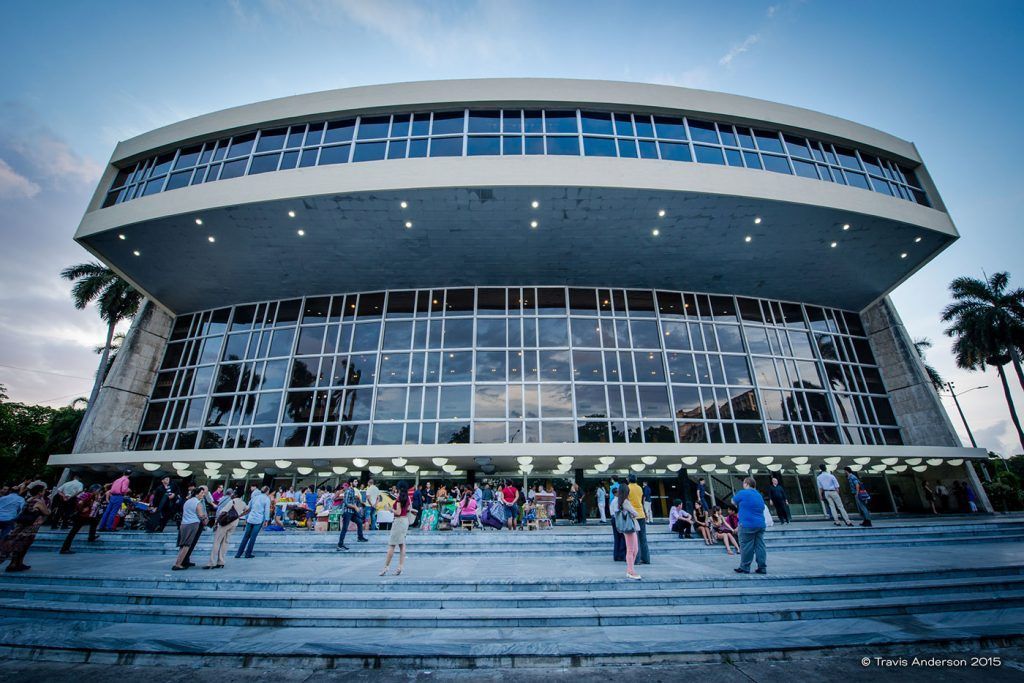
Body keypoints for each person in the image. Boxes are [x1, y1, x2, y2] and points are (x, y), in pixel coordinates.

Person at [0, 481, 49, 572]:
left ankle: (14, 563)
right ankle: (16, 563)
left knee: (17, 543)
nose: (44, 492)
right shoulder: (38, 502)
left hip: (21, 525)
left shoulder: (28, 499)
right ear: (39, 492)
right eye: (43, 491)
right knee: (23, 545)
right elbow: (47, 512)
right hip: (30, 526)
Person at [732, 477, 767, 575]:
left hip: (747, 524)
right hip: (760, 524)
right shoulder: (759, 495)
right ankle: (762, 567)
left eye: (744, 483)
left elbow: (733, 501)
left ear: (747, 484)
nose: (743, 485)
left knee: (746, 546)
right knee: (760, 546)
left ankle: (745, 567)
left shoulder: (743, 493)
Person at [205, 488, 247, 569]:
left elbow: (224, 512)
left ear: (236, 494)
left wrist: (216, 522)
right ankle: (221, 561)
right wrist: (239, 515)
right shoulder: (243, 503)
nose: (232, 495)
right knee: (226, 542)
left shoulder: (232, 501)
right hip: (234, 523)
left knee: (217, 541)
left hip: (225, 523)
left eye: (233, 493)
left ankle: (212, 562)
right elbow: (248, 509)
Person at [381, 481, 414, 576]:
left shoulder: (399, 498)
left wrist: (390, 509)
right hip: (405, 521)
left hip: (399, 521)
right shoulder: (407, 498)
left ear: (399, 488)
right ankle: (400, 567)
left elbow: (398, 512)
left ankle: (386, 567)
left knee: (392, 545)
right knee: (402, 545)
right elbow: (409, 509)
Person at [610, 480, 642, 580]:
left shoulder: (618, 501)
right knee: (632, 549)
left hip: (626, 528)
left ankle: (630, 570)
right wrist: (633, 513)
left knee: (632, 549)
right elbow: (635, 513)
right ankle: (630, 571)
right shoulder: (625, 502)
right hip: (630, 528)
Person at [59, 484, 103, 554]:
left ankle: (91, 537)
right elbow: (80, 502)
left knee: (94, 521)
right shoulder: (88, 495)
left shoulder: (91, 495)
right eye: (99, 490)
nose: (100, 492)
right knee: (73, 532)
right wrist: (81, 509)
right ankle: (64, 549)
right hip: (81, 516)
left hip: (84, 516)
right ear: (95, 490)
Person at [172, 486, 207, 570]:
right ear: (197, 494)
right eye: (202, 493)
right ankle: (178, 564)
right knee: (187, 545)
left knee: (182, 545)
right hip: (193, 524)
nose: (203, 494)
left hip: (184, 524)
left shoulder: (187, 501)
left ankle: (178, 561)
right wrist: (205, 518)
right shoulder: (198, 503)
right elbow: (201, 515)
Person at [236, 485, 270, 559]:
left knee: (246, 536)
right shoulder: (266, 499)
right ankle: (248, 553)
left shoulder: (255, 497)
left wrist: (245, 517)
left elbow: (248, 508)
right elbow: (267, 510)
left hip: (250, 518)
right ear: (267, 491)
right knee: (253, 537)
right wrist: (266, 520)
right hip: (258, 520)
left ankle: (238, 553)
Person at [337, 479, 368, 550]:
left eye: (357, 481)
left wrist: (357, 507)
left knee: (359, 522)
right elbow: (347, 503)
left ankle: (360, 537)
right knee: (345, 528)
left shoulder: (353, 490)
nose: (357, 483)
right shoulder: (348, 490)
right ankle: (340, 545)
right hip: (347, 512)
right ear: (351, 483)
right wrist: (355, 507)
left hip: (352, 512)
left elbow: (352, 501)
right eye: (355, 481)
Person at [626, 473, 650, 564]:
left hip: (632, 515)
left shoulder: (628, 488)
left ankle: (636, 559)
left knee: (635, 538)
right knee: (643, 537)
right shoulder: (640, 488)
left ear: (628, 479)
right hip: (641, 514)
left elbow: (627, 501)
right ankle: (646, 559)